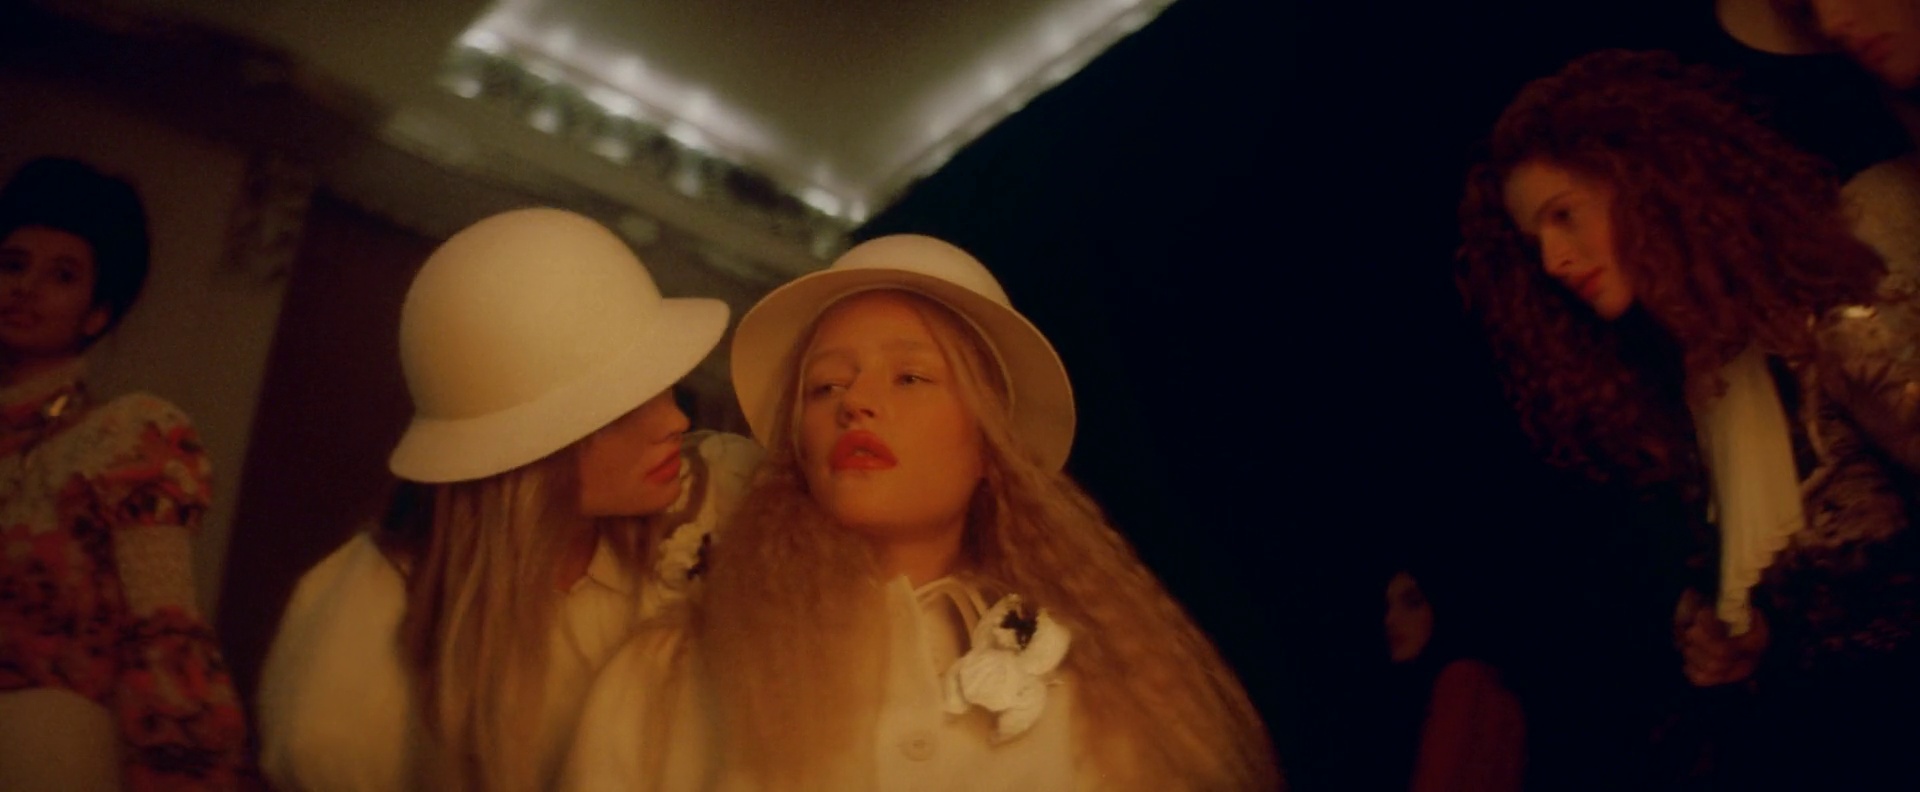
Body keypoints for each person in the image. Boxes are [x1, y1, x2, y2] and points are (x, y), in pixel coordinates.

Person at [561, 234, 1279, 791]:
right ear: (797, 451)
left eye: (909, 376)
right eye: (825, 387)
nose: (856, 402)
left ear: (990, 444)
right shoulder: (668, 678)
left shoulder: (1112, 703)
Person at [1457, 49, 1920, 787]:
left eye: (1563, 216)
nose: (1552, 261)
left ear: (1645, 185)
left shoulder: (1822, 322)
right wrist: (1740, 639)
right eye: (1535, 241)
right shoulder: (1688, 389)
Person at [255, 208, 761, 791]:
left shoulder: (712, 503)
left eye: (662, 382)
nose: (673, 420)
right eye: (619, 407)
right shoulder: (359, 640)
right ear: (523, 460)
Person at [0, 156, 251, 790]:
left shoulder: (123, 437)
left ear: (97, 312)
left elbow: (164, 627)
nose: (25, 287)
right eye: (13, 264)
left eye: (62, 275)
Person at [1381, 568, 1524, 792]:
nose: (1390, 620)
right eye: (1388, 606)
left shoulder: (1462, 682)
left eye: (1413, 603)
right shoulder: (1490, 685)